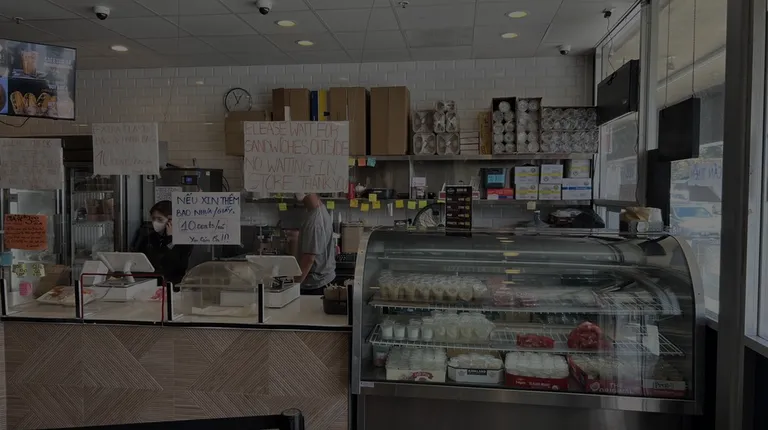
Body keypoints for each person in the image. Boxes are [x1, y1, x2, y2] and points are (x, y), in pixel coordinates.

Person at [133, 200, 192, 284]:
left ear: (171, 221)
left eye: (160, 219)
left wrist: (169, 238)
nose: (155, 222)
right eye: (153, 218)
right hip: (149, 281)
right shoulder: (148, 238)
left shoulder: (183, 240)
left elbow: (176, 264)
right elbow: (145, 261)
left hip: (173, 284)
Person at [294, 193, 336, 295]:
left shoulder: (315, 221)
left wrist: (293, 285)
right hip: (323, 279)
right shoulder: (319, 210)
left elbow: (309, 259)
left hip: (315, 284)